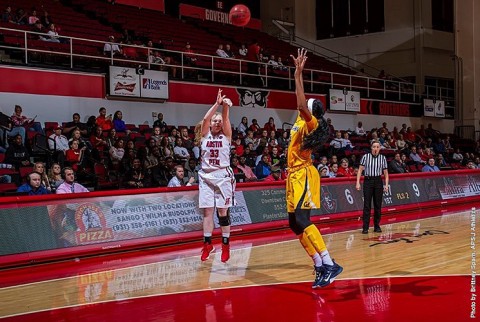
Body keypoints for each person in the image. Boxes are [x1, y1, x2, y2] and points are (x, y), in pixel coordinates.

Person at [287, 48, 342, 288]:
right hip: (293, 175)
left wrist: (298, 74)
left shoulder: (311, 123)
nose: (303, 106)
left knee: (301, 218)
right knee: (293, 223)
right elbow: (300, 103)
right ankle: (319, 264)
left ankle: (330, 263)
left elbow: (300, 103)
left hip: (304, 175)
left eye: (307, 107)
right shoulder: (300, 121)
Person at [198, 89, 235, 263]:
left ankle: (225, 244)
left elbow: (226, 118)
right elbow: (205, 118)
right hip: (206, 175)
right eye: (215, 120)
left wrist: (225, 106)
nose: (218, 122)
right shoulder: (204, 135)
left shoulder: (226, 136)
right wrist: (217, 104)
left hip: (223, 175)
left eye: (219, 121)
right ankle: (207, 244)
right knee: (208, 211)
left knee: (222, 212)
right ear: (211, 123)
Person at [356, 141, 389, 234]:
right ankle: (365, 227)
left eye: (377, 147)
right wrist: (358, 182)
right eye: (374, 146)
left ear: (379, 148)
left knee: (378, 205)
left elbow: (386, 173)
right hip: (368, 181)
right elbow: (359, 170)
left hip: (378, 181)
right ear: (371, 148)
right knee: (367, 205)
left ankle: (377, 226)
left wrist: (386, 185)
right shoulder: (365, 157)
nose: (375, 148)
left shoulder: (383, 158)